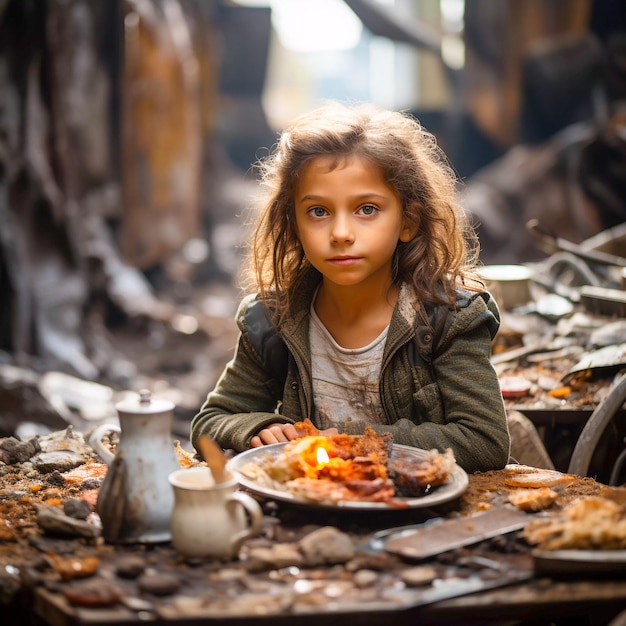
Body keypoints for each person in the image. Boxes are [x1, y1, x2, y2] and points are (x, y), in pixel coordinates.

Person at [191, 101, 512, 474]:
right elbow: (210, 422)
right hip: (315, 508)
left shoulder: (446, 318)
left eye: (367, 209)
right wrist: (256, 428)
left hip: (421, 513)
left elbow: (485, 441)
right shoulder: (273, 320)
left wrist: (345, 439)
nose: (341, 234)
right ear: (293, 224)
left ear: (408, 221)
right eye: (318, 212)